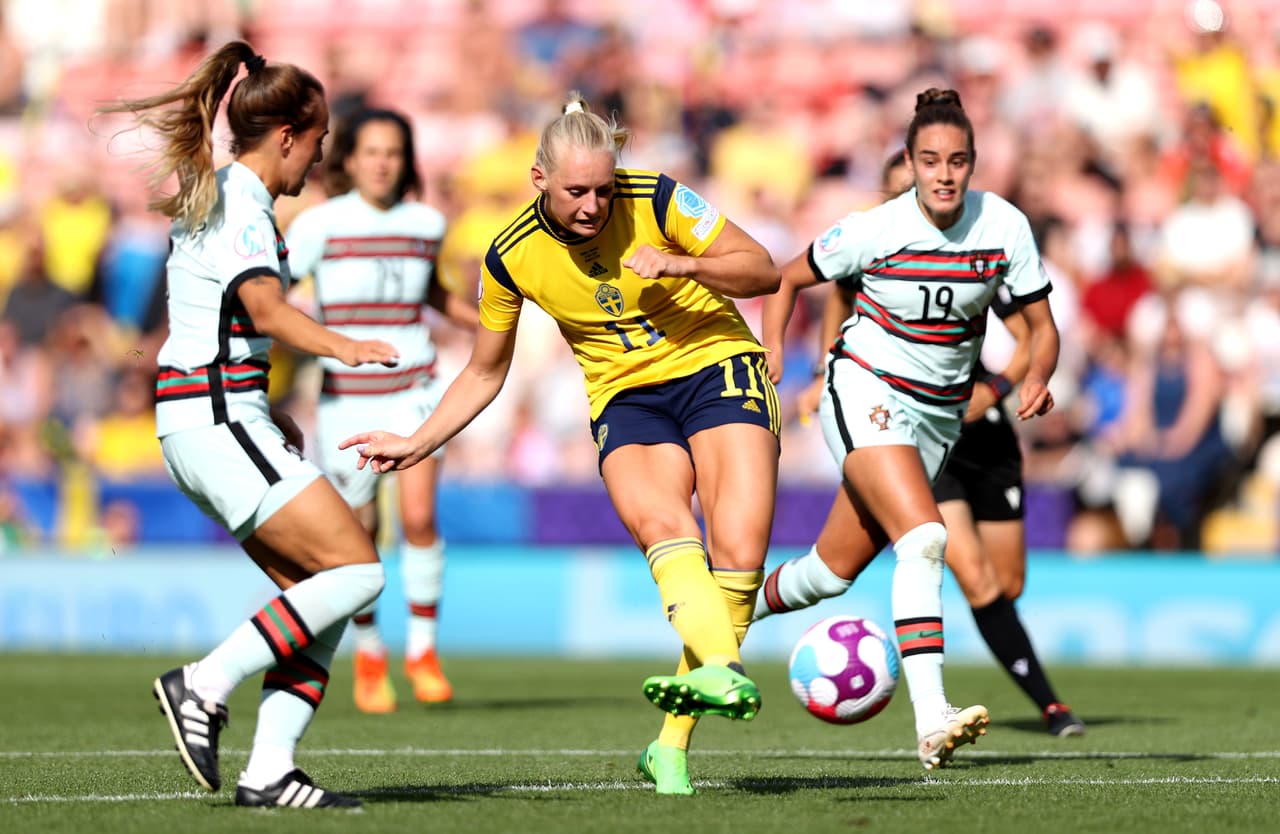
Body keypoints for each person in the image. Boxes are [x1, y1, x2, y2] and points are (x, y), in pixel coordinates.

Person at [341, 92, 782, 795]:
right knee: (664, 526)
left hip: (715, 364)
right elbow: (486, 370)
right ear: (539, 180)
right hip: (626, 397)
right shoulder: (510, 256)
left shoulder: (658, 198)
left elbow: (763, 269)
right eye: (578, 190)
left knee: (738, 555)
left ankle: (671, 745)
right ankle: (723, 667)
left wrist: (682, 266)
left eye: (605, 190)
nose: (594, 205)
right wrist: (418, 441)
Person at [100, 41, 401, 808]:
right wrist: (346, 345)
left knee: (319, 598)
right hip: (215, 419)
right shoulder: (240, 200)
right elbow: (265, 310)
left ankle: (269, 769)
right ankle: (202, 682)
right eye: (322, 137)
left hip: (212, 420)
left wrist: (264, 419)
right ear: (289, 135)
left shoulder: (229, 195)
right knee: (359, 571)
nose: (324, 153)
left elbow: (223, 320)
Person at [754, 88, 1060, 770]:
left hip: (936, 418)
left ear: (973, 163)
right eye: (930, 160)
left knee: (829, 574)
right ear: (912, 164)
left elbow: (1042, 329)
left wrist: (1033, 377)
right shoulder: (873, 229)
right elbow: (783, 278)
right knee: (924, 538)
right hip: (862, 387)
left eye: (956, 161)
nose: (944, 174)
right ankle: (932, 719)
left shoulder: (1004, 227)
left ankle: (724, 611)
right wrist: (778, 350)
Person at [796, 152, 1085, 738]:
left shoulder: (970, 250)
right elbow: (836, 308)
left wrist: (1000, 388)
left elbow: (1032, 332)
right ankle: (1047, 707)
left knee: (1006, 584)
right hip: (916, 430)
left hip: (983, 426)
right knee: (966, 570)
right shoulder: (869, 246)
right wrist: (823, 376)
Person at [286, 107, 478, 714]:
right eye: (370, 151)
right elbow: (276, 296)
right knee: (358, 536)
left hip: (416, 388)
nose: (382, 162)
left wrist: (489, 320)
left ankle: (422, 652)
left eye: (393, 152)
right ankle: (370, 652)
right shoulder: (319, 225)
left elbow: (431, 292)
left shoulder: (426, 223)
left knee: (419, 518)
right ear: (347, 160)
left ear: (407, 160)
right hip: (347, 397)